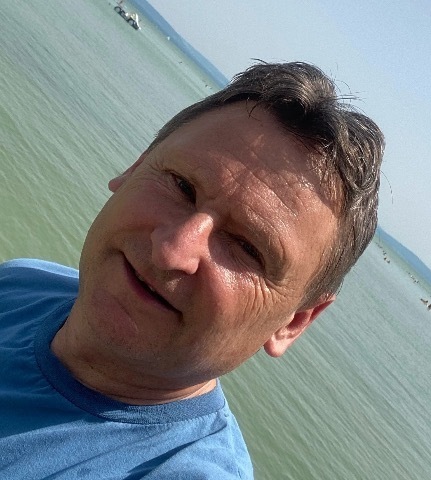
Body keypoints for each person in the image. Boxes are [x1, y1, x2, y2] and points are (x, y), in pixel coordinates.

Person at [0, 61, 384, 479]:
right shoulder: (23, 282)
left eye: (247, 248)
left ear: (294, 322)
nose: (172, 251)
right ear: (134, 167)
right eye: (182, 187)